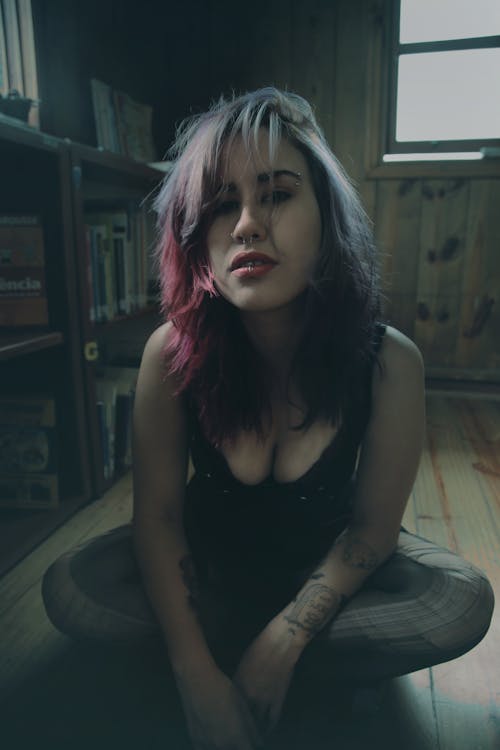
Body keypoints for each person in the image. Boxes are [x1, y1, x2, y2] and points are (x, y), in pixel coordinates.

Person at [42, 88, 494, 750]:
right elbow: (159, 519)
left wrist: (285, 638)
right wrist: (196, 677)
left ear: (327, 215)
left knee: (463, 602)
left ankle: (272, 660)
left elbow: (371, 529)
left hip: (327, 572)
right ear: (197, 238)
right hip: (209, 572)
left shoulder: (389, 361)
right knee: (69, 591)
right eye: (222, 206)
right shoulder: (170, 354)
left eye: (277, 195)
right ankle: (266, 666)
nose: (247, 225)